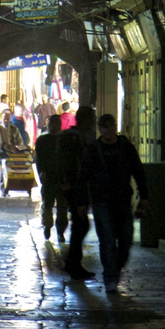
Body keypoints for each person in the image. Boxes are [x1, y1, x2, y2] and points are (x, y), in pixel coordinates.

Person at [79, 114, 149, 294]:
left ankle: (114, 269)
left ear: (115, 127)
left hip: (123, 200)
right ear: (100, 129)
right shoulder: (94, 150)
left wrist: (144, 197)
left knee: (126, 239)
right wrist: (82, 201)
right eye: (104, 127)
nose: (108, 131)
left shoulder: (125, 147)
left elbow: (138, 171)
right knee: (108, 239)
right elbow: (83, 177)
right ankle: (110, 277)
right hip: (102, 201)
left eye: (111, 127)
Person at [58, 104, 97, 280]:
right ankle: (73, 264)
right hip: (75, 187)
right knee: (80, 224)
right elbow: (74, 166)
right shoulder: (75, 139)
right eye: (92, 119)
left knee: (79, 224)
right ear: (86, 120)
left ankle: (73, 263)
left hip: (76, 187)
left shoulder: (76, 137)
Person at [34, 113, 67, 240]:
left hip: (62, 177)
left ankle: (60, 231)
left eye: (56, 123)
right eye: (52, 123)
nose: (54, 126)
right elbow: (39, 159)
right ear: (48, 124)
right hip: (48, 177)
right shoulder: (42, 140)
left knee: (62, 206)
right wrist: (41, 172)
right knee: (47, 204)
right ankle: (47, 226)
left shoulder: (65, 139)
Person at [0, 108, 24, 196]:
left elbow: (19, 141)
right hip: (2, 153)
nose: (6, 120)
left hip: (13, 153)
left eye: (8, 118)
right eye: (4, 118)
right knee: (2, 171)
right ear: (1, 119)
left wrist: (19, 148)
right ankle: (3, 190)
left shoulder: (14, 129)